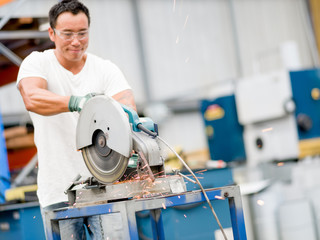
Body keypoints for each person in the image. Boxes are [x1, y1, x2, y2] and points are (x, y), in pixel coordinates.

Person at [16, 0, 136, 239]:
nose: (75, 41)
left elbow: (128, 109)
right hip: (58, 191)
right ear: (51, 33)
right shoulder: (38, 63)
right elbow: (32, 97)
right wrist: (76, 102)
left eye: (82, 33)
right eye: (67, 34)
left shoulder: (105, 69)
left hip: (106, 188)